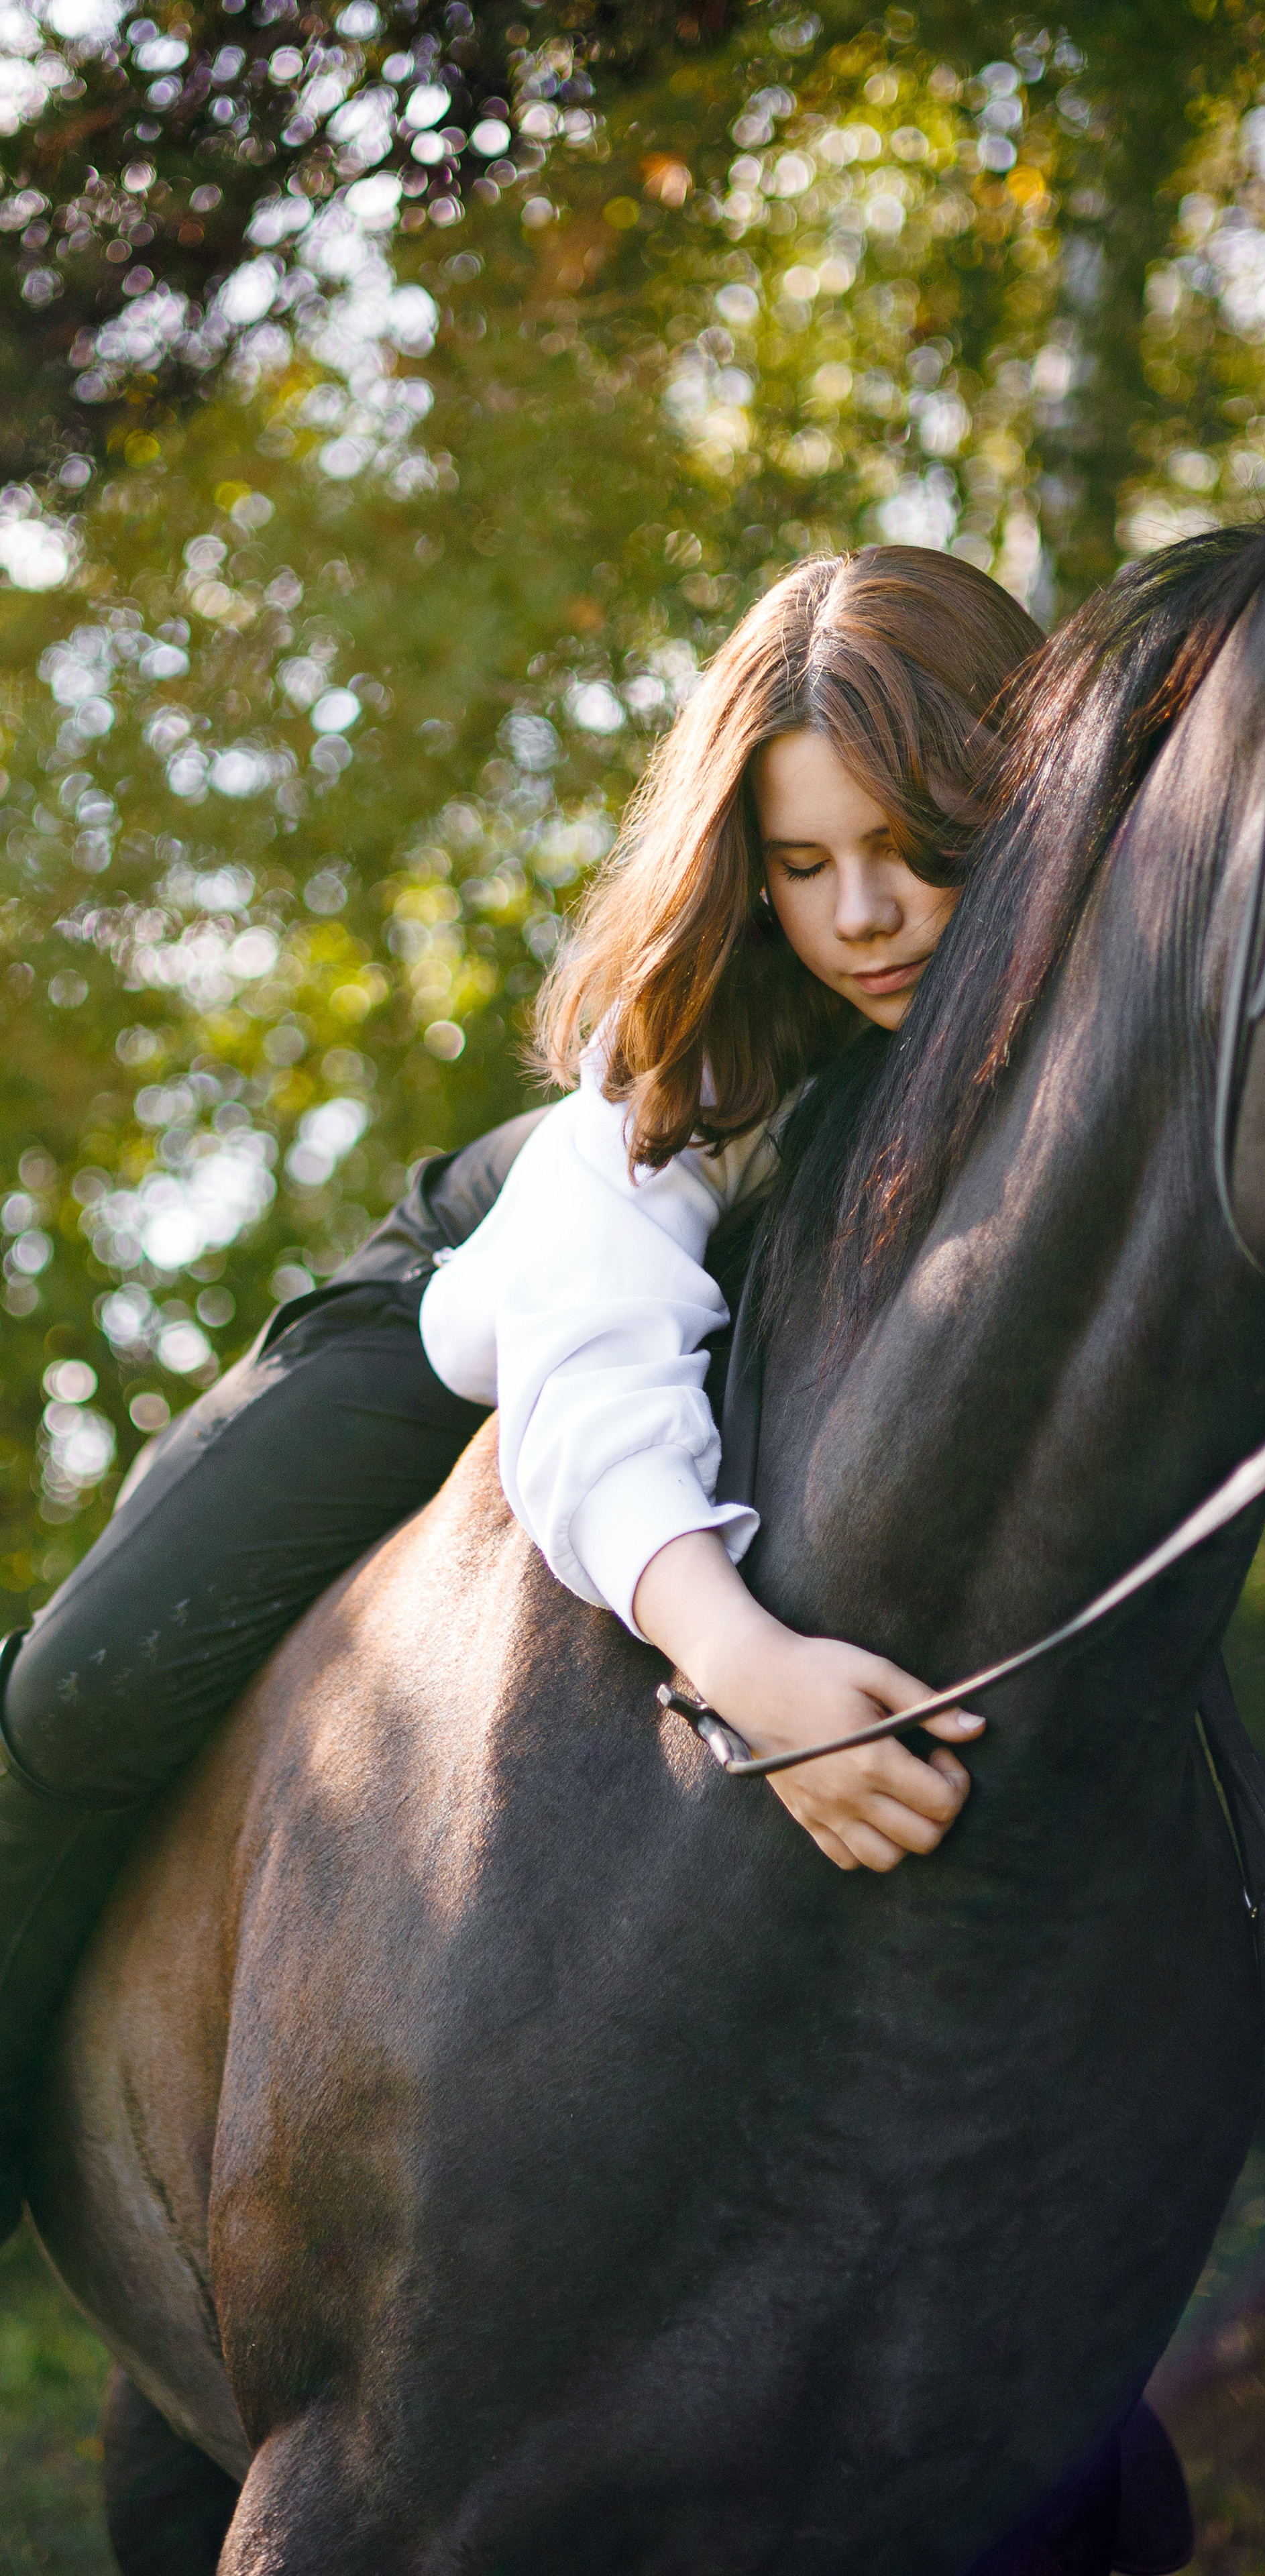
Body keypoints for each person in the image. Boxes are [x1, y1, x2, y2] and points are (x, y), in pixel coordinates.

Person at [0, 545, 1044, 2233]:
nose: (861, 915)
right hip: (459, 1325)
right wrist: (743, 1659)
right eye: (801, 864)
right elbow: (590, 1366)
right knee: (78, 1689)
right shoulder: (706, 1032)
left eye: (912, 852)